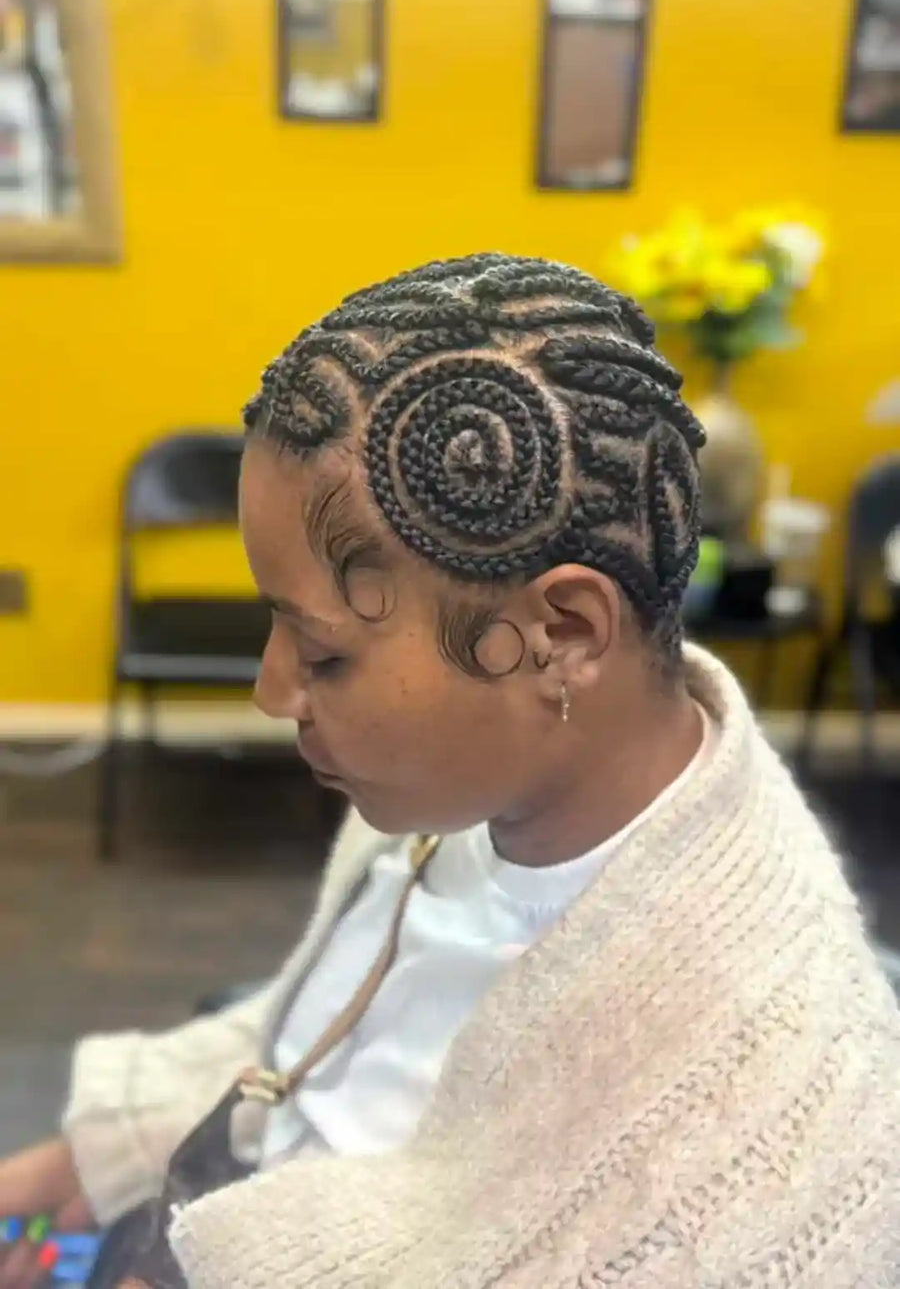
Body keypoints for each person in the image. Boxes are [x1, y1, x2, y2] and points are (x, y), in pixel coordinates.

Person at [2, 252, 900, 1289]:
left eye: (324, 650)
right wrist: (87, 1161)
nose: (271, 691)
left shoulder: (768, 1151)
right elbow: (306, 1048)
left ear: (561, 632)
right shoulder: (464, 799)